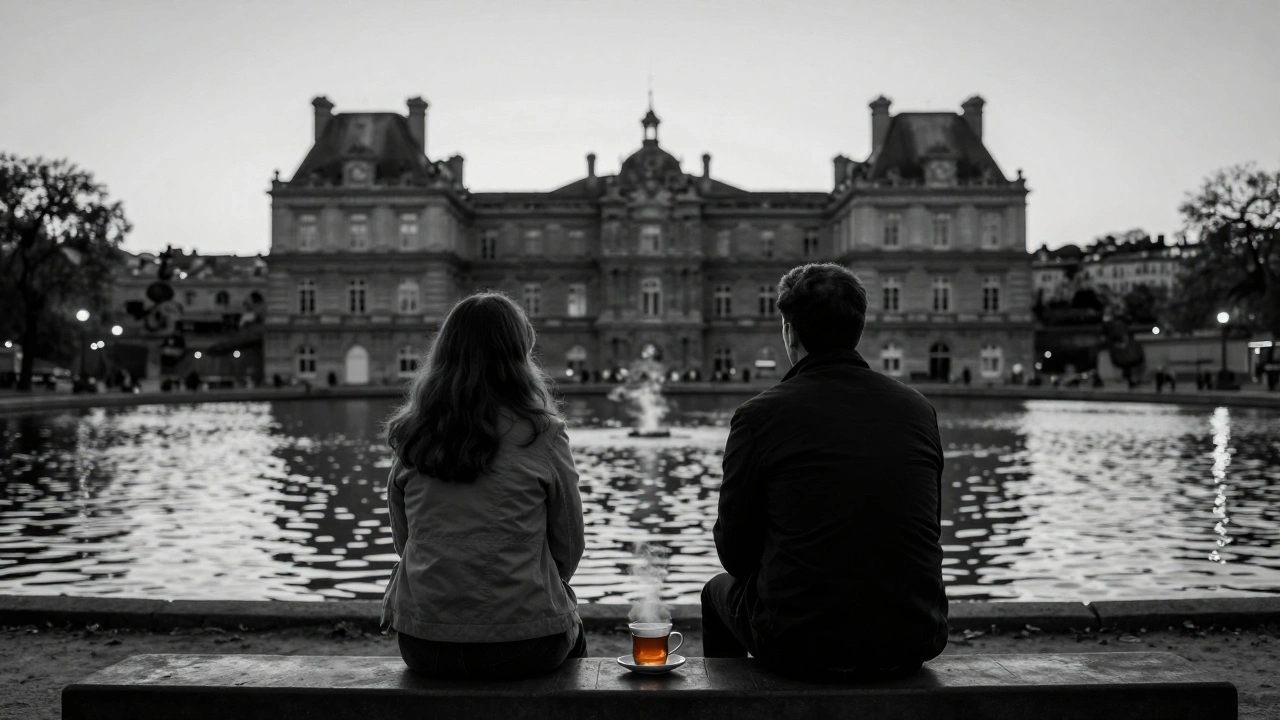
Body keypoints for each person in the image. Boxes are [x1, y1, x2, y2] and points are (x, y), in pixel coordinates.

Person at [702, 263, 947, 682]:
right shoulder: (918, 410)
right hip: (914, 638)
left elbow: (735, 555)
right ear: (858, 329)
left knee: (716, 591)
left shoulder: (760, 415)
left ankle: (732, 708)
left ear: (790, 332)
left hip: (801, 644)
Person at [382, 292, 586, 681]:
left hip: (424, 642)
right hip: (524, 643)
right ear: (519, 356)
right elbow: (569, 547)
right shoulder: (543, 434)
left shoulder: (412, 434)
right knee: (569, 624)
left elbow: (405, 541)